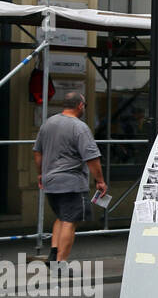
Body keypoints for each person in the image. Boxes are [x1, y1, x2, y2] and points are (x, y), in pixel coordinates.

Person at [33, 91, 107, 264]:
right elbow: (92, 158)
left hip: (50, 181)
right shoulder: (79, 127)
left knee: (61, 217)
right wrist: (100, 181)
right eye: (85, 106)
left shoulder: (48, 123)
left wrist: (40, 173)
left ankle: (53, 255)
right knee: (70, 221)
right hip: (71, 182)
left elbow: (37, 152)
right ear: (80, 105)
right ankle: (61, 263)